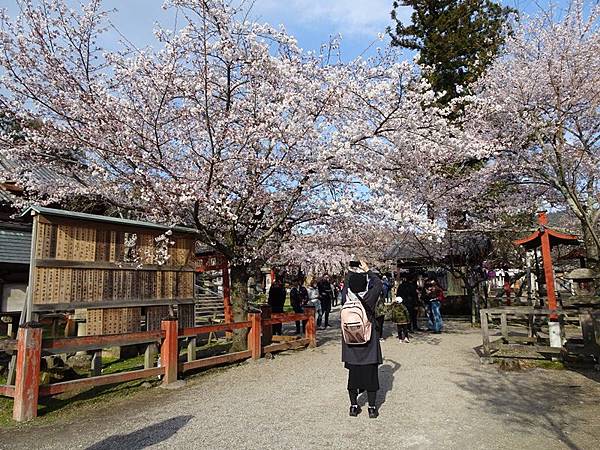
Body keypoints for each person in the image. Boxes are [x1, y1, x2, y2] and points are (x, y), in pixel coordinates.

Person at [341, 261, 383, 419]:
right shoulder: (369, 297)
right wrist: (367, 269)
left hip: (351, 341)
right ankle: (372, 408)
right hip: (368, 341)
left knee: (353, 376)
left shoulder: (346, 297)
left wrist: (351, 271)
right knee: (371, 376)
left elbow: (346, 283)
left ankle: (353, 406)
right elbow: (378, 283)